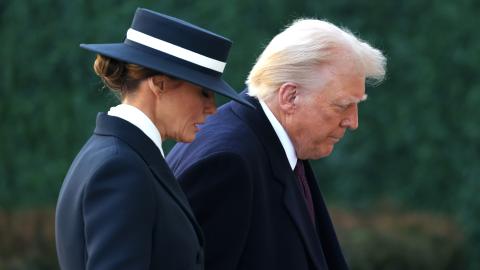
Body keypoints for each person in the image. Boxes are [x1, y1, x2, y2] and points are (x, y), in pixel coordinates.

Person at [167, 18, 386, 270]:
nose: (353, 121)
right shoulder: (229, 162)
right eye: (342, 105)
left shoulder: (275, 141)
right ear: (290, 97)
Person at [55, 7, 252, 270]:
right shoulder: (121, 168)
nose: (212, 108)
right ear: (159, 84)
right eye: (204, 92)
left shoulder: (119, 155)